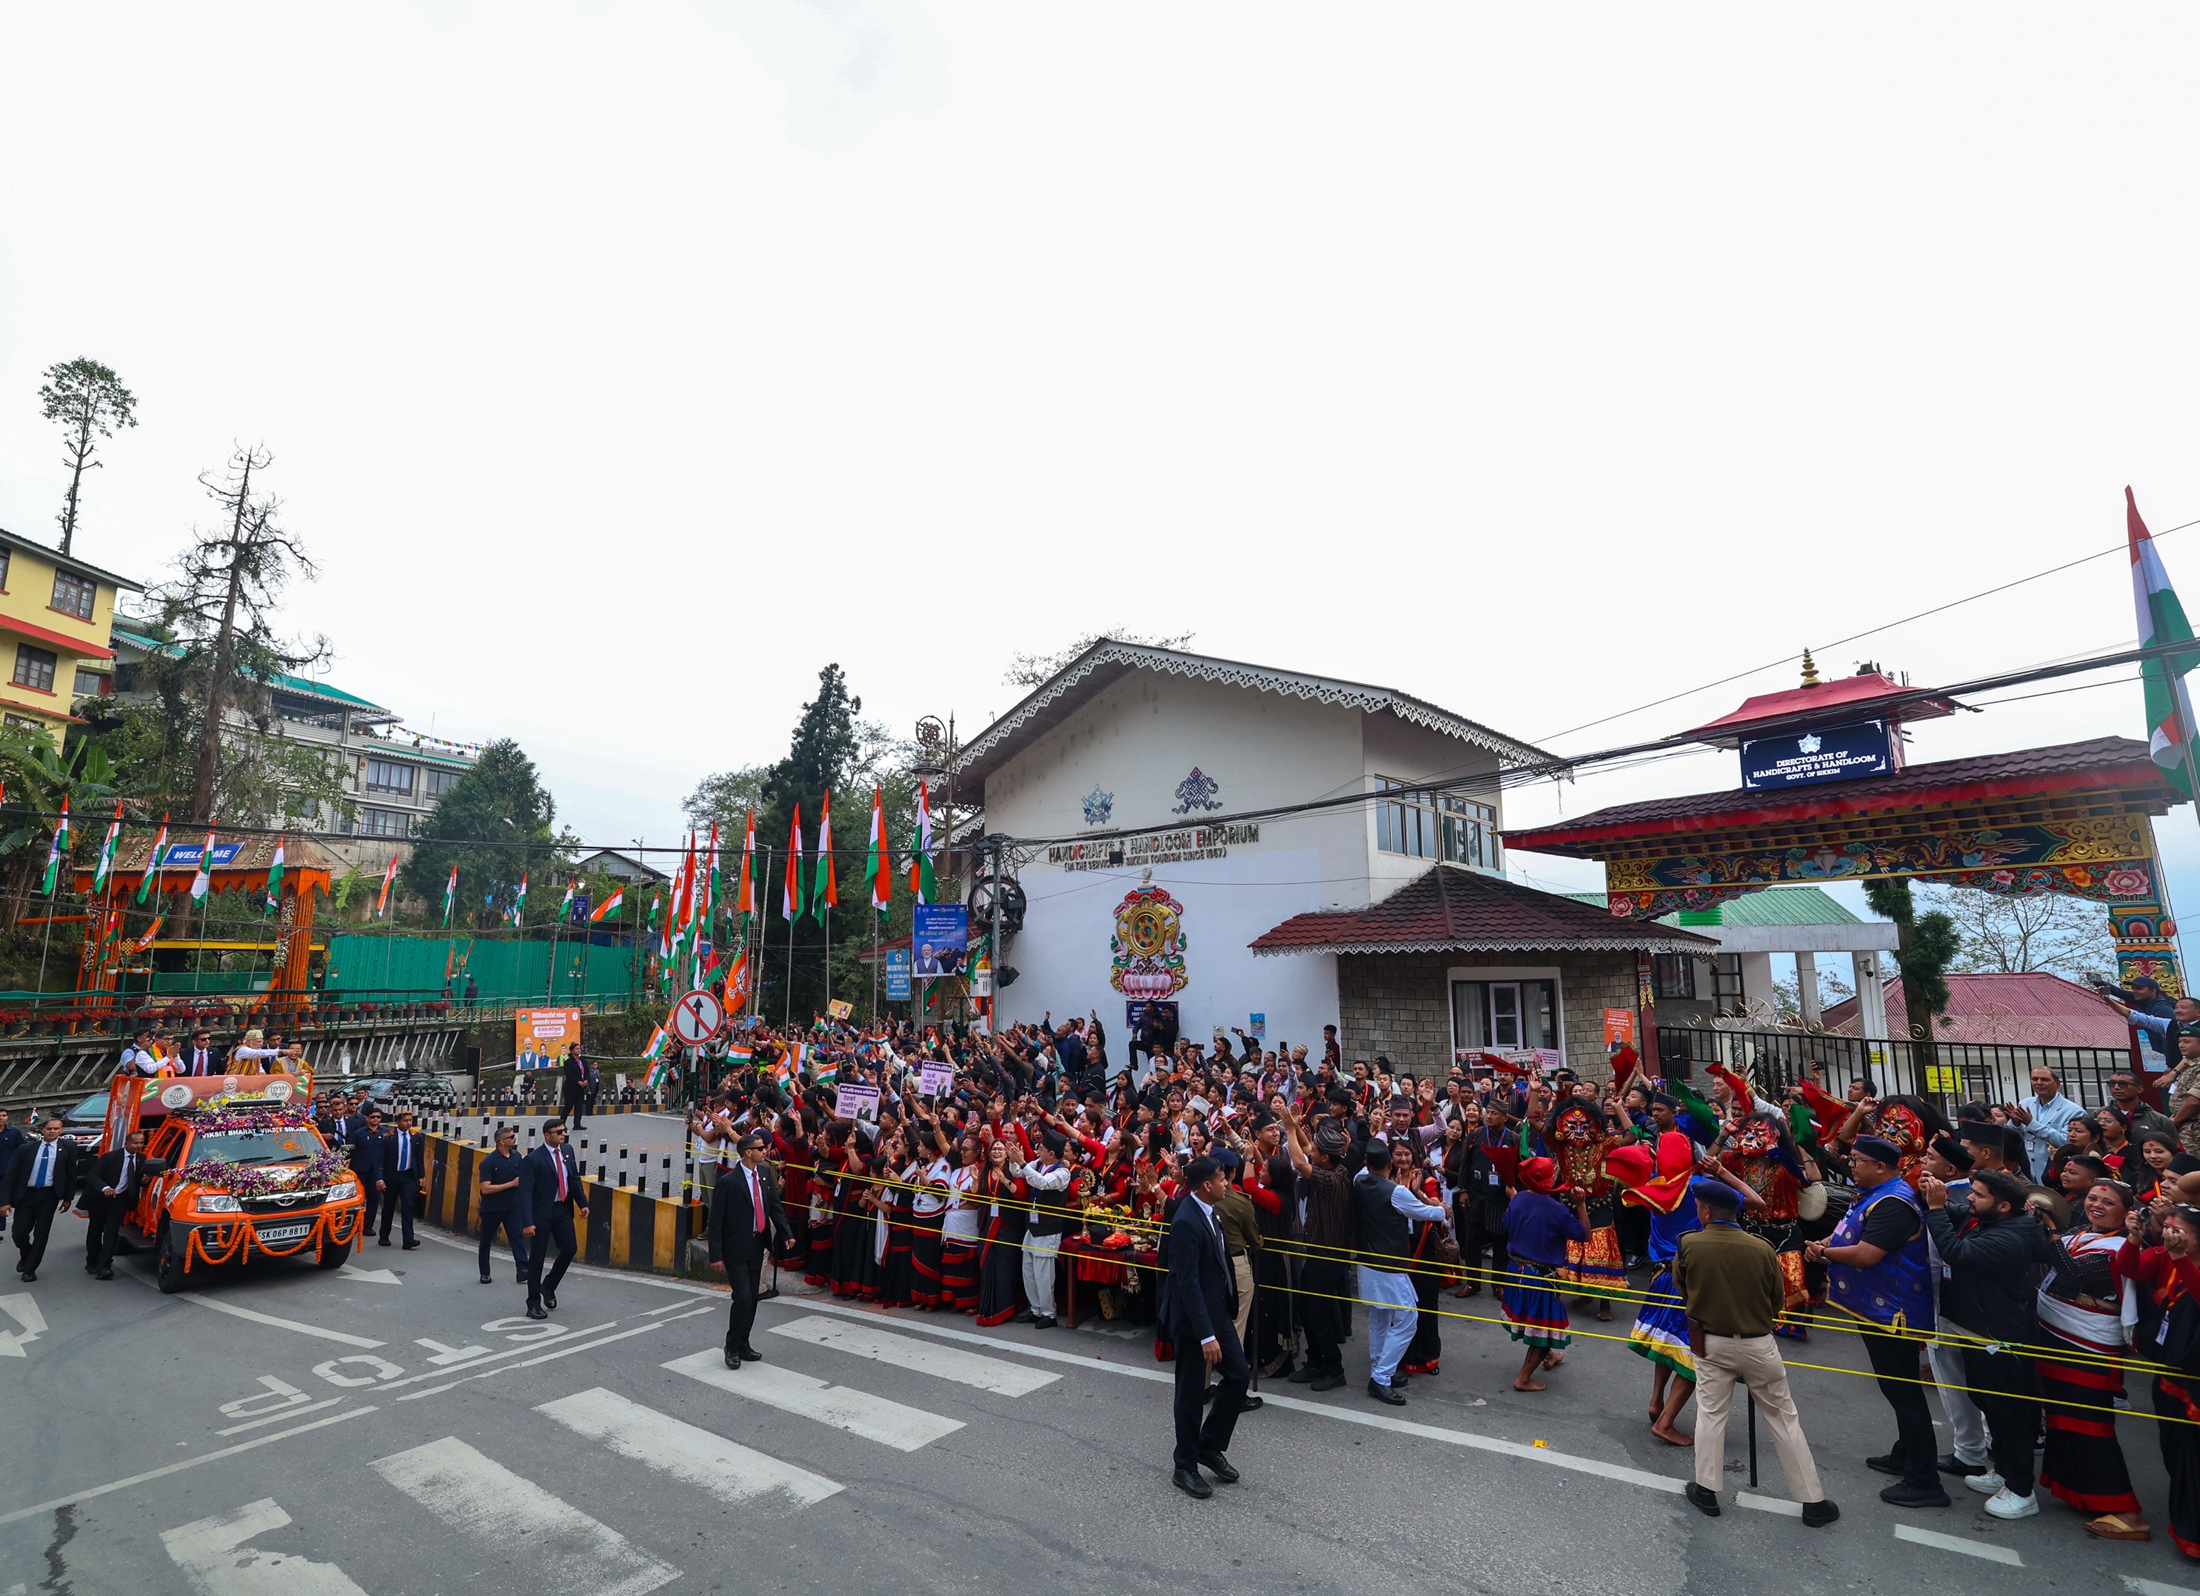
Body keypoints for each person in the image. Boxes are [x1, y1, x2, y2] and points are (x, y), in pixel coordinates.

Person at [1673, 1176, 1837, 1527]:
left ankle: (1706, 1489)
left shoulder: (1689, 1244)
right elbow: (1777, 1300)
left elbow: (1684, 1289)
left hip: (1711, 1342)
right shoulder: (1762, 1248)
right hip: (1758, 1344)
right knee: (1783, 1418)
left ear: (1705, 1211)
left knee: (1711, 1415)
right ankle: (1813, 1501)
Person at [1806, 1135, 1946, 1508]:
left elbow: (1867, 1254)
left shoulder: (1893, 1203)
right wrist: (1826, 1242)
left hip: (1893, 1314)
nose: (1850, 1166)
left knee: (1904, 1394)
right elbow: (1849, 1229)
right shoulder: (1874, 1194)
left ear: (1881, 1167)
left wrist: (1825, 1253)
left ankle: (1925, 1481)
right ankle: (1905, 1454)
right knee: (1895, 1389)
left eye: (1857, 1160)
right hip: (1876, 1308)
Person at [1919, 1167, 2051, 1521]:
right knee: (1987, 1402)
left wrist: (1935, 1209)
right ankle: (2003, 1471)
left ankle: (2021, 1490)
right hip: (1976, 1331)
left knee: (2010, 1414)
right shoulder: (1992, 1219)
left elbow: (1956, 1252)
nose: (1970, 1199)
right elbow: (1957, 1213)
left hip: (1999, 1337)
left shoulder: (2011, 1237)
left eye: (1978, 1195)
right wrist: (1932, 1193)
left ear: (2004, 1206)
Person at [2036, 1177, 2148, 1540]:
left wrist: (2051, 1232)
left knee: (2090, 1426)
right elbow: (2052, 1264)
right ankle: (2084, 1492)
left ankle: (2129, 1513)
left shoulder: (2120, 1246)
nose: (2096, 1205)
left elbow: (2070, 1274)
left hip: (2088, 1348)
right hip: (2059, 1338)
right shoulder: (2082, 1232)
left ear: (2127, 1212)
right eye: (2093, 1198)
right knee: (2062, 1419)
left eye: (2108, 1202)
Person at [1158, 1155, 1248, 1499]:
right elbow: (1187, 1282)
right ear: (1207, 1185)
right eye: (1222, 1179)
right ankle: (1184, 1465)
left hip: (1217, 1312)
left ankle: (1208, 1445)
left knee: (1238, 1376)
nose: (1227, 1183)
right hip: (1194, 1321)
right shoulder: (1186, 1221)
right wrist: (1206, 1335)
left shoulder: (1211, 1212)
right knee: (1191, 1392)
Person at [1500, 1155, 1589, 1394]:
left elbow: (1507, 1222)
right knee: (1545, 1327)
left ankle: (1548, 1357)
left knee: (1535, 1321)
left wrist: (1515, 1200)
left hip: (1516, 1271)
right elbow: (1584, 1234)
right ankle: (1523, 1378)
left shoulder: (1519, 1199)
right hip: (1540, 1276)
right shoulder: (1556, 1209)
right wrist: (1581, 1205)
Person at [708, 1130, 792, 1369]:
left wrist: (786, 1233)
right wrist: (716, 1255)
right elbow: (716, 1220)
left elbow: (774, 1206)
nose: (765, 1151)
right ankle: (731, 1346)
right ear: (748, 1153)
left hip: (757, 1243)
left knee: (753, 1297)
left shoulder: (764, 1174)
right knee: (743, 1296)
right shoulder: (728, 1182)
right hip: (735, 1247)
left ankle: (743, 1343)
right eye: (760, 1148)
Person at [516, 1118, 589, 1320]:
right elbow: (525, 1193)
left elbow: (573, 1178)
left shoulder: (567, 1151)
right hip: (542, 1212)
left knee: (569, 1249)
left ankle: (548, 1285)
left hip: (562, 1208)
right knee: (537, 1257)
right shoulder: (533, 1160)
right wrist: (527, 1222)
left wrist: (582, 1203)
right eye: (559, 1132)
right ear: (547, 1135)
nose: (563, 1134)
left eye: (564, 1131)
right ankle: (533, 1303)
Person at [4, 1116, 82, 1281]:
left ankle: (30, 1269)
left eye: (56, 1129)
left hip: (49, 1195)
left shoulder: (68, 1148)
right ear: (43, 1130)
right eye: (49, 1129)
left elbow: (71, 1174)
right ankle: (26, 1254)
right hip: (26, 1195)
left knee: (41, 1233)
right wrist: (4, 1201)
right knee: (19, 1233)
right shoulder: (27, 1149)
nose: (52, 1132)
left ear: (61, 1130)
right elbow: (11, 1175)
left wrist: (68, 1198)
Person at [81, 1127, 162, 1279]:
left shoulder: (141, 1159)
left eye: (141, 1143)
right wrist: (105, 1188)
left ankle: (104, 1266)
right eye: (135, 1143)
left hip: (120, 1200)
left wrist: (143, 1181)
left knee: (112, 1232)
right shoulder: (110, 1157)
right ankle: (92, 1261)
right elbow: (92, 1175)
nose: (139, 1146)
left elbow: (135, 1180)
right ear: (126, 1143)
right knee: (95, 1231)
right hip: (99, 1199)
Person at [1014, 1130, 1074, 1329]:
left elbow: (1042, 1182)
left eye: (1042, 1149)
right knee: (1028, 1269)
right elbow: (1018, 1172)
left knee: (1044, 1274)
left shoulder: (1063, 1172)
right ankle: (1035, 1309)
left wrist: (1022, 1163)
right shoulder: (1038, 1163)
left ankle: (1049, 1313)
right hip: (1032, 1225)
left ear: (1052, 1153)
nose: (1038, 1151)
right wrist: (1014, 1160)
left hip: (1049, 1228)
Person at [2010, 1067, 2087, 1180]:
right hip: (2025, 1169)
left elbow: (2067, 1142)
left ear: (2057, 1083)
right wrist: (2016, 1124)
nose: (2039, 1083)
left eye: (2044, 1079)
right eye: (2035, 1079)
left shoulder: (2074, 1111)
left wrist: (2031, 1124)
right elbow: (2013, 1137)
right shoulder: (2025, 1103)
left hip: (2052, 1172)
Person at [476, 1125, 529, 1285]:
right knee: (486, 1240)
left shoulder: (516, 1156)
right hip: (492, 1207)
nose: (514, 1139)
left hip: (512, 1205)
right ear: (502, 1141)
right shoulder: (489, 1162)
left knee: (517, 1237)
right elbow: (485, 1188)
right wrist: (510, 1184)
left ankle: (522, 1269)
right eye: (511, 1137)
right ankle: (485, 1272)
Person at [379, 1109, 424, 1249]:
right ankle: (384, 1236)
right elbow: (380, 1159)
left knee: (408, 1205)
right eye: (405, 1121)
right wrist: (380, 1178)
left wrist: (421, 1176)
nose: (408, 1123)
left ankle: (408, 1239)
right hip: (392, 1176)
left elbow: (419, 1157)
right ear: (398, 1122)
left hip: (408, 1175)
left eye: (410, 1120)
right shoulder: (388, 1138)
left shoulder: (416, 1137)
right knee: (389, 1206)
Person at [348, 1106, 390, 1239]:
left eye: (378, 1117)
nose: (375, 1119)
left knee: (374, 1199)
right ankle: (356, 1224)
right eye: (373, 1117)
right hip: (360, 1170)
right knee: (359, 1199)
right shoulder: (359, 1133)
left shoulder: (386, 1133)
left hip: (377, 1172)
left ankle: (368, 1226)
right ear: (367, 1118)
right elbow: (350, 1151)